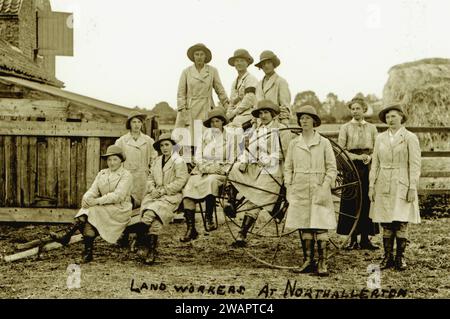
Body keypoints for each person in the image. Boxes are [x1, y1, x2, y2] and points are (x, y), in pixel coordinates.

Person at [52, 145, 133, 263]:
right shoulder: (102, 173)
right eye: (109, 159)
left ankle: (68, 237)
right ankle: (82, 249)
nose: (111, 163)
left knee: (91, 211)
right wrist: (86, 198)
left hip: (120, 208)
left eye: (115, 159)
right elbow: (93, 190)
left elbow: (118, 196)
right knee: (88, 212)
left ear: (121, 160)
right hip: (105, 207)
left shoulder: (126, 175)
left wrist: (96, 201)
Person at [228, 99, 291, 247]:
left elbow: (286, 154)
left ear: (273, 114)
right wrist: (244, 160)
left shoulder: (282, 130)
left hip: (274, 168)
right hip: (257, 166)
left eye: (266, 112)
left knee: (256, 195)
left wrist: (267, 159)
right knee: (233, 169)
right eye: (261, 113)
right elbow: (250, 149)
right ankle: (231, 203)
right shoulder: (257, 130)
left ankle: (242, 233)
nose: (263, 116)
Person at [284, 105, 337, 276]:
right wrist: (289, 186)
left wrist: (325, 185)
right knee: (304, 223)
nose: (304, 121)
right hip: (299, 186)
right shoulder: (294, 143)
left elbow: (331, 168)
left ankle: (323, 262)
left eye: (307, 118)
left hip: (318, 186)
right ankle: (308, 260)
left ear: (314, 121)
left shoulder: (324, 142)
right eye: (301, 118)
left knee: (320, 224)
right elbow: (288, 168)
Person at [369, 103, 421, 271]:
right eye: (387, 117)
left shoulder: (410, 137)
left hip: (402, 182)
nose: (390, 120)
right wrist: (371, 185)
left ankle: (400, 257)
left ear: (401, 117)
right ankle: (387, 257)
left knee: (401, 220)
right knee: (386, 221)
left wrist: (412, 187)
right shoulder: (380, 138)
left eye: (393, 116)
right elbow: (375, 163)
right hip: (383, 182)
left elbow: (414, 164)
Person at [134, 133, 189, 264]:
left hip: (171, 196)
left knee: (151, 214)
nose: (164, 148)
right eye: (162, 145)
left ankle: (142, 243)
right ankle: (149, 248)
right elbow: (150, 178)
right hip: (154, 195)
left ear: (173, 146)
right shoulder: (157, 161)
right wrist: (152, 189)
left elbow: (180, 181)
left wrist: (163, 191)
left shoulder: (179, 161)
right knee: (154, 220)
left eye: (167, 145)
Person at [180, 108, 232, 241]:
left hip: (221, 171)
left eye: (217, 121)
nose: (214, 124)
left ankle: (209, 219)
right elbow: (197, 157)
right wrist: (206, 167)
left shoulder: (230, 138)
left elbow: (232, 158)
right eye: (212, 122)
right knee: (189, 186)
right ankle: (191, 228)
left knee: (211, 181)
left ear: (222, 122)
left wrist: (219, 168)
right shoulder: (204, 136)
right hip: (203, 169)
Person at [336, 96, 380, 250]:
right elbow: (341, 150)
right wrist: (356, 157)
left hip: (368, 166)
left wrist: (369, 157)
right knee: (352, 200)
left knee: (367, 199)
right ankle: (352, 238)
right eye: (352, 109)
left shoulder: (372, 128)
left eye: (358, 109)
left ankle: (366, 239)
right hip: (351, 167)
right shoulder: (345, 128)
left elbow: (377, 148)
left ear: (364, 110)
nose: (355, 111)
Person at [175, 43, 230, 150]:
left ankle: (207, 158)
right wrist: (182, 109)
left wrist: (226, 104)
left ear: (205, 56)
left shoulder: (212, 71)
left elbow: (220, 89)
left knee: (206, 136)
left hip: (206, 106)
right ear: (193, 57)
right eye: (197, 54)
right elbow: (181, 93)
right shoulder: (186, 72)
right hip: (190, 108)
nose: (199, 57)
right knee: (188, 137)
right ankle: (189, 162)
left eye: (201, 54)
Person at [115, 111, 157, 207]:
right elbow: (117, 161)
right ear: (129, 124)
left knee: (144, 202)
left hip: (143, 176)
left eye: (139, 122)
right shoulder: (121, 141)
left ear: (142, 124)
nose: (136, 125)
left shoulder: (148, 140)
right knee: (127, 201)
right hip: (127, 176)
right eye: (134, 122)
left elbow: (154, 158)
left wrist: (151, 172)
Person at [255, 50, 291, 125]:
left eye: (268, 63)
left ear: (273, 64)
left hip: (276, 123)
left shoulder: (281, 81)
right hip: (260, 124)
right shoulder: (258, 85)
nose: (266, 66)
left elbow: (285, 106)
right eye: (263, 64)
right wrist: (255, 123)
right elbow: (256, 106)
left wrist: (284, 125)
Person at [226, 49, 258, 128]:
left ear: (247, 63)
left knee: (234, 126)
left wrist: (234, 113)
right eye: (237, 61)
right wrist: (228, 114)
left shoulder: (250, 79)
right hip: (237, 114)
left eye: (242, 61)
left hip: (248, 113)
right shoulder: (235, 82)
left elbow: (249, 99)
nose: (239, 63)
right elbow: (232, 101)